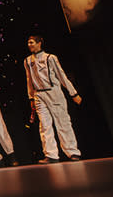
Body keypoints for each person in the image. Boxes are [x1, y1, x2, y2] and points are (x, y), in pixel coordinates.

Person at [24, 35, 82, 164]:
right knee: (44, 125)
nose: (29, 45)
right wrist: (31, 97)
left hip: (53, 92)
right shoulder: (27, 61)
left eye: (32, 42)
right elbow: (29, 80)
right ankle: (51, 154)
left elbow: (61, 76)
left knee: (62, 123)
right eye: (28, 43)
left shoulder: (50, 58)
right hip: (39, 95)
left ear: (39, 43)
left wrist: (73, 93)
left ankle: (72, 151)